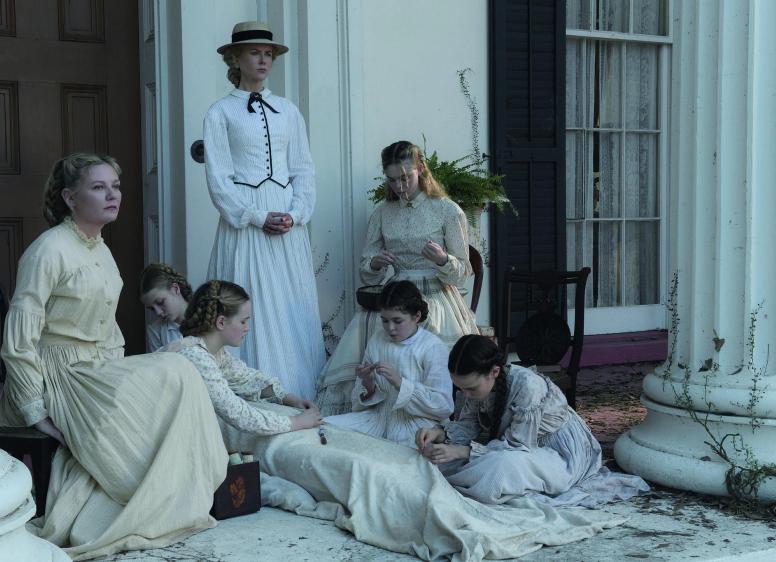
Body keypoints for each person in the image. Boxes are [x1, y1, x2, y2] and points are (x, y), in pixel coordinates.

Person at [0, 153, 227, 560]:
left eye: (116, 187)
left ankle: (188, 486)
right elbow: (19, 339)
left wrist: (122, 377)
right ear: (70, 197)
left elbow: (108, 331)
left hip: (97, 367)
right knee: (175, 368)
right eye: (99, 187)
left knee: (180, 367)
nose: (113, 195)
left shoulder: (102, 250)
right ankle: (151, 492)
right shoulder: (48, 250)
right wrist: (34, 409)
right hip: (60, 373)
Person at [203, 21, 324, 401]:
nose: (263, 60)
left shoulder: (288, 111)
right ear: (235, 59)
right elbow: (219, 178)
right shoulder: (220, 112)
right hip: (246, 227)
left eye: (268, 54)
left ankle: (300, 396)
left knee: (290, 307)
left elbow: (303, 169)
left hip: (287, 229)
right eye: (254, 53)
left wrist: (297, 214)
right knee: (251, 300)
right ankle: (253, 398)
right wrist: (256, 217)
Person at [316, 140, 479, 415]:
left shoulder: (447, 210)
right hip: (396, 292)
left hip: (436, 294)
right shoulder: (382, 212)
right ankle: (378, 408)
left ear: (421, 169)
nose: (399, 186)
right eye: (392, 180)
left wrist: (442, 259)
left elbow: (463, 272)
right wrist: (375, 263)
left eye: (405, 178)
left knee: (431, 336)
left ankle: (429, 412)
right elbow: (366, 271)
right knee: (366, 324)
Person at [416, 335, 650, 507]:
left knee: (499, 467)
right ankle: (466, 479)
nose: (465, 395)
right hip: (512, 449)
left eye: (470, 389)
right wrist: (441, 433)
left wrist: (460, 452)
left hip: (559, 453)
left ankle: (467, 482)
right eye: (461, 389)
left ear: (494, 372)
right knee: (436, 457)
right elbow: (469, 426)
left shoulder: (528, 386)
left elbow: (515, 447)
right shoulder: (479, 387)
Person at [161, 280, 322, 435]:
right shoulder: (196, 355)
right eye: (243, 321)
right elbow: (239, 415)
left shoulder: (214, 353)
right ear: (221, 322)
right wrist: (296, 422)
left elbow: (248, 380)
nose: (247, 328)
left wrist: (290, 399)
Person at [325, 281, 453, 448]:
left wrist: (400, 383)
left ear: (416, 316)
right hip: (377, 419)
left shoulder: (432, 347)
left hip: (416, 425)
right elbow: (361, 402)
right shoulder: (378, 339)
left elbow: (443, 405)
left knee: (405, 456)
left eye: (397, 321)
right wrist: (367, 382)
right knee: (324, 429)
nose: (390, 328)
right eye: (384, 320)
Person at [139, 262, 190, 351]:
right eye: (152, 308)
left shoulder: (207, 314)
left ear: (175, 289)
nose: (158, 312)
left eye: (160, 302)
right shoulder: (155, 331)